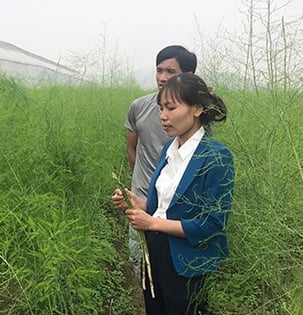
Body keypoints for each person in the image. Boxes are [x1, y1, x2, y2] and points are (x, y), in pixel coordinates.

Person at [113, 73, 234, 314]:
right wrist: (138, 203)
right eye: (160, 109)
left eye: (171, 108)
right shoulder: (170, 147)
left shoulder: (216, 157)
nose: (163, 117)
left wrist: (153, 223)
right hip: (156, 251)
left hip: (186, 261)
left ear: (197, 108)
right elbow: (164, 206)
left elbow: (212, 223)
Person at [125, 45, 197, 277]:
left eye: (171, 71)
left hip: (176, 206)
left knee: (169, 266)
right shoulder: (139, 107)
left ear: (188, 76)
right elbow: (131, 147)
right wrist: (142, 188)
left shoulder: (194, 116)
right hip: (142, 196)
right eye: (159, 70)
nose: (163, 78)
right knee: (140, 259)